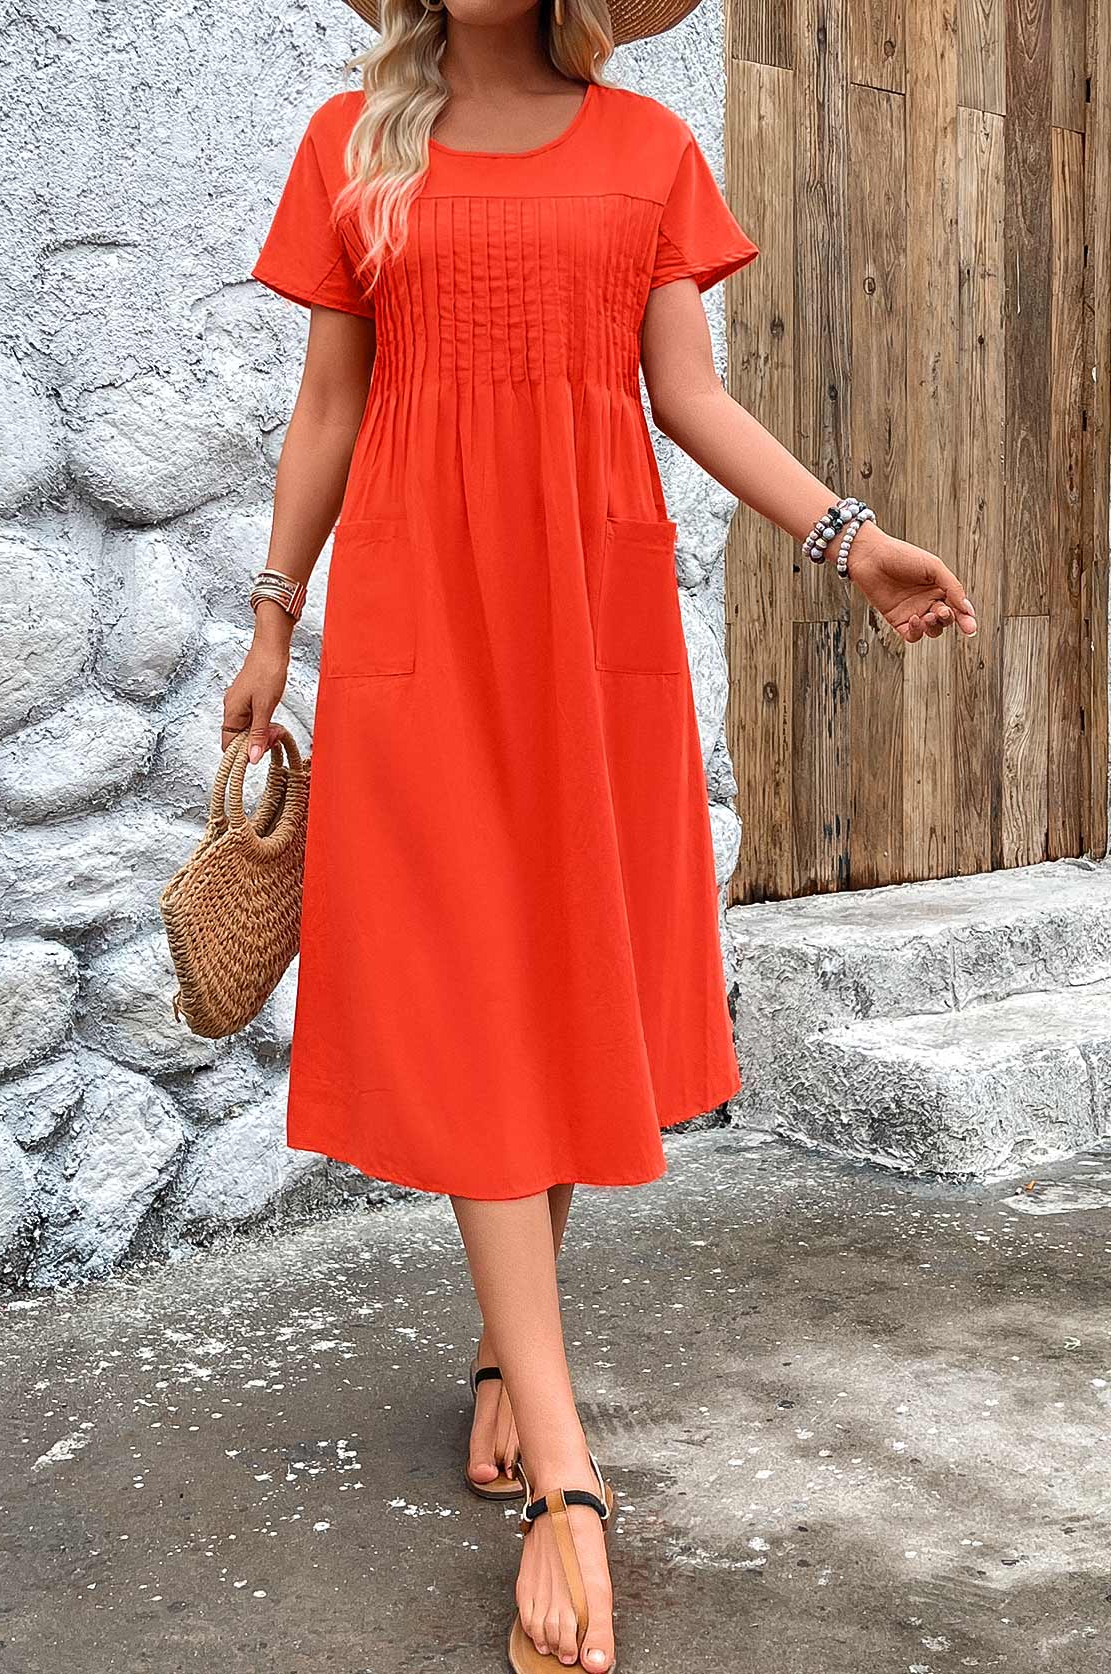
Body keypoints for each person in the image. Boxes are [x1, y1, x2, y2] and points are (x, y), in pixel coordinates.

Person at [224, 1, 979, 1667]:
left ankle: (514, 1349)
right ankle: (567, 1480)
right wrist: (274, 615)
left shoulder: (650, 149)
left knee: (566, 979)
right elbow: (329, 405)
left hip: (590, 608)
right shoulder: (352, 143)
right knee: (476, 996)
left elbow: (688, 395)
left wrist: (850, 539)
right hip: (421, 610)